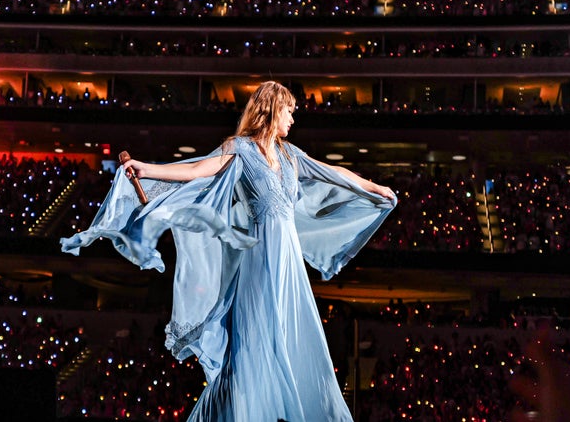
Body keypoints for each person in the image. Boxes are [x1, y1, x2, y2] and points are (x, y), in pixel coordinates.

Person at [61, 81, 397, 421]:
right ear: (271, 109)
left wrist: (374, 187)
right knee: (255, 340)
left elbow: (332, 172)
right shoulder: (240, 149)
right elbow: (196, 170)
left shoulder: (290, 154)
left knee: (292, 336)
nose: (293, 119)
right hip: (258, 258)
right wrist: (147, 169)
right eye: (289, 111)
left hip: (288, 262)